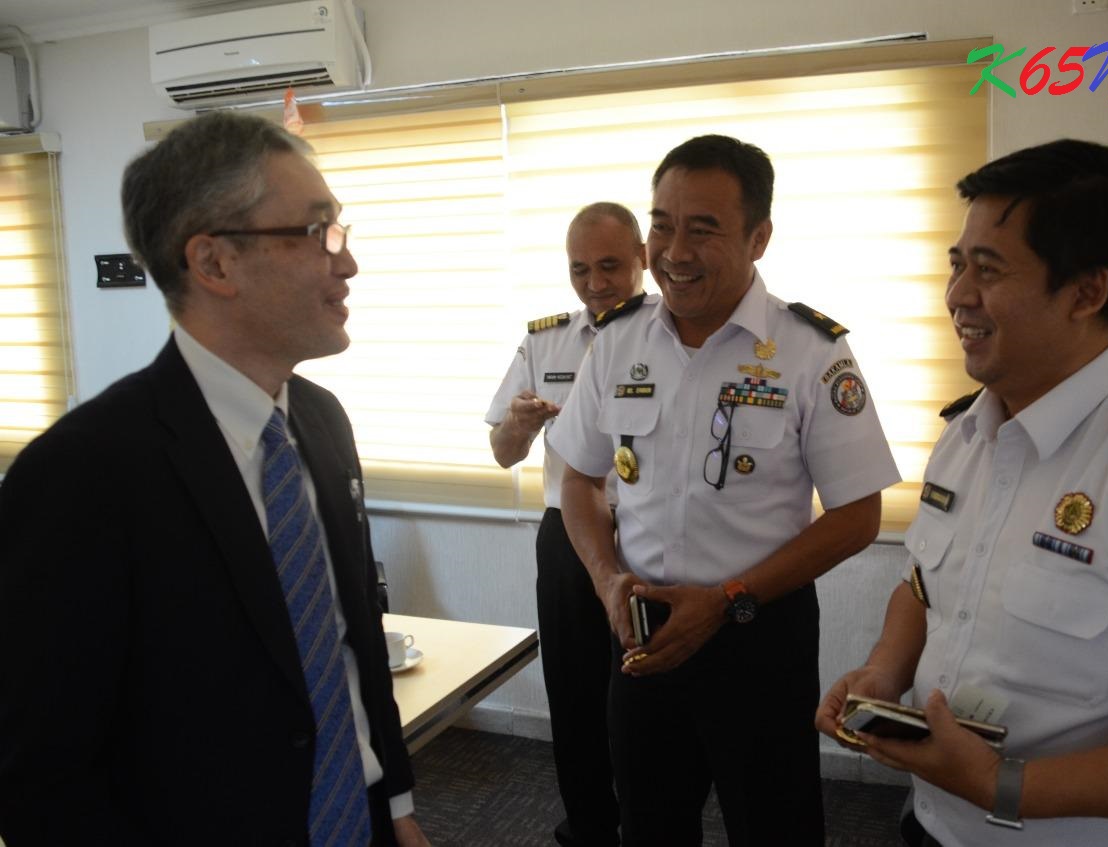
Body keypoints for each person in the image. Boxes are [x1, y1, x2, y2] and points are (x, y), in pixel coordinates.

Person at [815, 139, 1108, 846]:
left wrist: (1005, 785)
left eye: (989, 269)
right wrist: (884, 670)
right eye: (957, 264)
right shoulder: (966, 438)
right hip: (936, 826)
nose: (958, 295)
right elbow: (924, 584)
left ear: (1087, 292)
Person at [0, 111, 431, 847]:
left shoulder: (322, 421)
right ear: (214, 263)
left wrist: (396, 807)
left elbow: (352, 640)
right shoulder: (82, 473)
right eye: (318, 231)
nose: (348, 262)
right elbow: (39, 772)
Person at [549, 135, 901, 845]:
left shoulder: (811, 350)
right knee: (649, 826)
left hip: (756, 632)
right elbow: (579, 478)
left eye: (703, 229)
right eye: (662, 226)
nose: (674, 252)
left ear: (758, 237)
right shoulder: (616, 341)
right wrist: (606, 578)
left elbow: (859, 515)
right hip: (642, 631)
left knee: (775, 828)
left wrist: (727, 598)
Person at [485, 202, 648, 846]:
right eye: (580, 269)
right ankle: (589, 825)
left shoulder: (672, 333)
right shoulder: (544, 340)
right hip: (567, 535)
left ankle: (648, 821)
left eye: (610, 266)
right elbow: (504, 453)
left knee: (643, 692)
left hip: (646, 533)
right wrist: (519, 424)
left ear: (642, 258)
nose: (595, 283)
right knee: (574, 691)